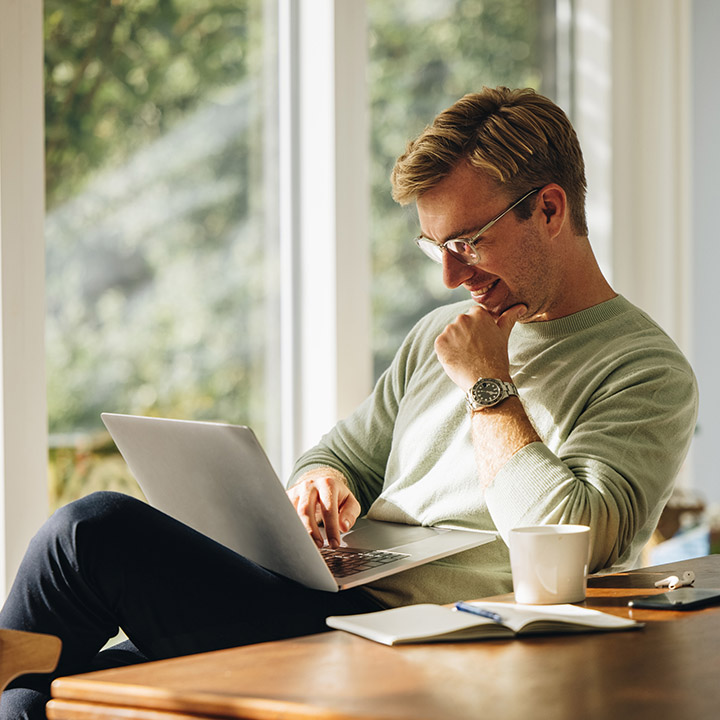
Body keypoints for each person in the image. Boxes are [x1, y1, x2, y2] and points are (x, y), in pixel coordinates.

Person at [0, 87, 697, 719]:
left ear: (549, 208)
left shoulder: (646, 371)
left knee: (91, 533)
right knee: (42, 696)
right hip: (326, 604)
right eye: (436, 249)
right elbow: (341, 454)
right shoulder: (436, 337)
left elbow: (567, 533)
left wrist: (488, 386)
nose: (452, 277)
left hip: (433, 642)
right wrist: (319, 484)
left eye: (468, 243)